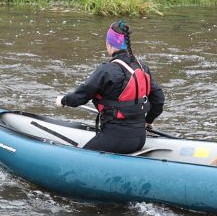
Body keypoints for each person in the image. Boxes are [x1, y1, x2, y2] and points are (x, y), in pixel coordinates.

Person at [56, 21, 166, 154]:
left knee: (78, 158)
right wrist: (148, 121)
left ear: (109, 44)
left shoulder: (107, 70)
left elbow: (82, 94)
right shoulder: (142, 67)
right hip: (140, 138)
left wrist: (63, 101)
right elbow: (159, 98)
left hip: (115, 139)